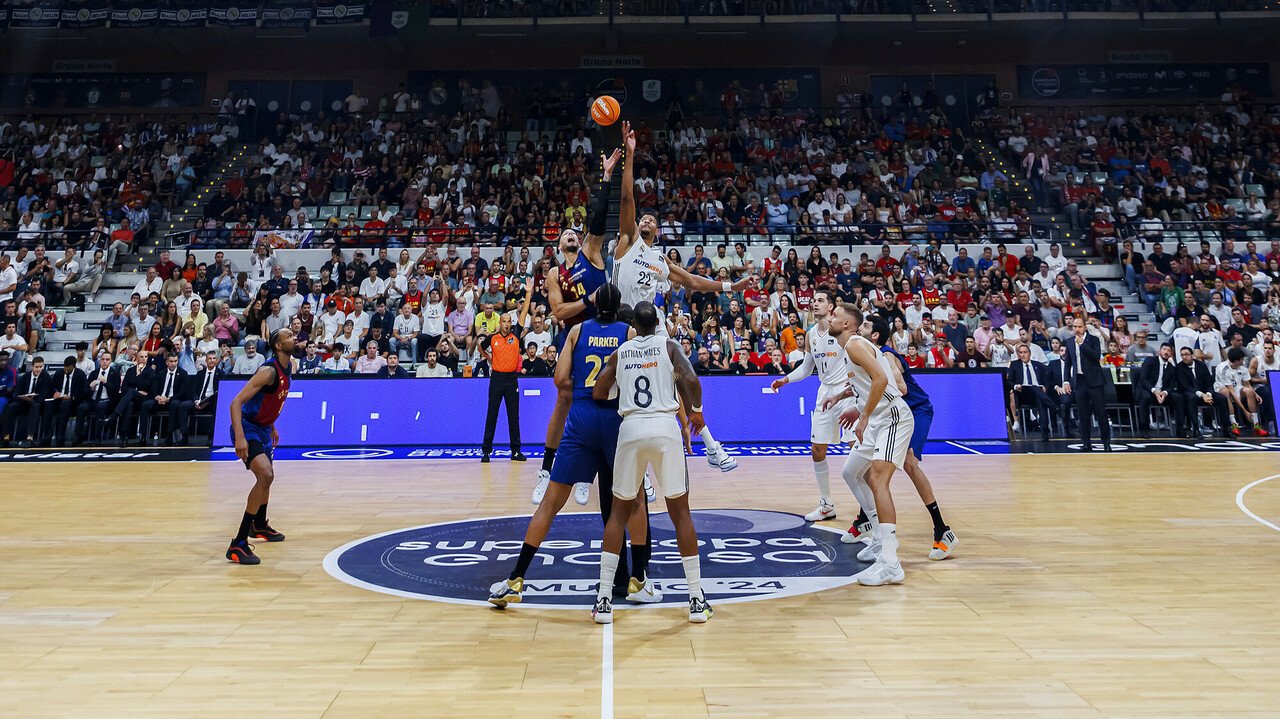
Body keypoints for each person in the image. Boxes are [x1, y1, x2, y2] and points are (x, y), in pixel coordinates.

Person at [488, 286, 661, 608]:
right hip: (615, 420)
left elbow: (559, 379)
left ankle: (515, 579)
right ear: (619, 306)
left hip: (580, 417)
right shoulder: (629, 331)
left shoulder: (577, 331)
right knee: (635, 499)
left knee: (551, 503)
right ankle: (639, 579)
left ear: (594, 303)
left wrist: (583, 386)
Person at [613, 120, 746, 474]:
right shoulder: (626, 243)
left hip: (651, 324)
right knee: (620, 396)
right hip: (620, 321)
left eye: (652, 220)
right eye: (643, 217)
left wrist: (731, 288)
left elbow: (695, 283)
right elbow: (627, 196)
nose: (646, 221)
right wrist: (628, 155)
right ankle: (632, 469)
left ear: (659, 229)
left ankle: (711, 444)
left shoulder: (661, 260)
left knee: (680, 375)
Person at [589, 301, 713, 624]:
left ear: (634, 326)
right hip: (663, 426)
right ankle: (697, 599)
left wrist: (621, 383)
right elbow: (692, 379)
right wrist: (696, 409)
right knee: (680, 513)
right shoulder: (669, 346)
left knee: (618, 513)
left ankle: (603, 600)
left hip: (630, 428)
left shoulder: (622, 351)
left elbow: (599, 391)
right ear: (657, 323)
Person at [532, 149, 620, 506]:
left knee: (616, 401)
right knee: (564, 396)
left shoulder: (592, 253)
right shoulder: (555, 273)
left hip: (607, 330)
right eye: (566, 234)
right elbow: (557, 311)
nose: (572, 235)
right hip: (577, 335)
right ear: (558, 245)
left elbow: (598, 218)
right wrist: (590, 300)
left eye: (575, 232)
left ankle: (600, 475)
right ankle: (546, 470)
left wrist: (606, 176)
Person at [820, 302, 914, 587]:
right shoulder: (851, 347)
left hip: (891, 417)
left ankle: (890, 562)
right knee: (851, 472)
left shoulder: (854, 344)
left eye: (834, 315)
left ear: (848, 324)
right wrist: (845, 401)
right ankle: (876, 536)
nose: (829, 317)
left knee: (876, 478)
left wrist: (863, 415)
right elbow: (865, 381)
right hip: (877, 419)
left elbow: (882, 379)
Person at [863, 315, 958, 561]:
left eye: (865, 325)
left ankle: (942, 530)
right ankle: (867, 523)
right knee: (868, 464)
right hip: (890, 413)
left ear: (875, 336)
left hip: (915, 409)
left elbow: (902, 387)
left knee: (909, 463)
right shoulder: (863, 353)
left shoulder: (886, 354)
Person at [769, 288, 854, 523]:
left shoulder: (843, 331)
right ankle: (826, 504)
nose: (814, 303)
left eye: (820, 300)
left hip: (847, 393)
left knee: (855, 448)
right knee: (817, 449)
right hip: (824, 392)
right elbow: (807, 368)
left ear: (831, 307)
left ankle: (867, 508)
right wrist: (785, 380)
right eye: (813, 300)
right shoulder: (811, 334)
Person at [226, 328, 296, 565]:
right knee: (264, 475)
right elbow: (236, 403)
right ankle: (238, 543)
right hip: (248, 428)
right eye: (288, 336)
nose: (294, 336)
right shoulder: (268, 371)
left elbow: (273, 400)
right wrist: (239, 437)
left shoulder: (290, 366)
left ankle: (260, 525)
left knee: (270, 476)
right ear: (278, 345)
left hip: (264, 428)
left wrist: (273, 425)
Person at [480, 313, 525, 463]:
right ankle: (486, 451)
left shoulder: (516, 335)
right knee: (492, 414)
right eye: (504, 321)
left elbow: (523, 314)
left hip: (511, 379)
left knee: (513, 416)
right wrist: (489, 358)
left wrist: (529, 292)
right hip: (497, 379)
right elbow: (480, 347)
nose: (506, 324)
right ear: (499, 322)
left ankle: (516, 451)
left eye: (509, 321)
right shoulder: (493, 338)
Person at [1063, 316, 1111, 452]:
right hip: (1079, 381)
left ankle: (1106, 443)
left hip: (1095, 381)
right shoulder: (1069, 342)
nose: (1077, 329)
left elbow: (1096, 357)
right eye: (1075, 327)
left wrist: (1082, 344)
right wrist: (1066, 381)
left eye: (1079, 326)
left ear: (1084, 327)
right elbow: (1068, 364)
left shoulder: (1093, 339)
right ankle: (1086, 443)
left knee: (1101, 413)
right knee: (1083, 415)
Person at [139, 352, 193, 445]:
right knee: (145, 405)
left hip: (173, 400)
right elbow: (154, 390)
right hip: (160, 400)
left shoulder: (183, 373)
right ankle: (143, 436)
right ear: (167, 362)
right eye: (171, 361)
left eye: (175, 361)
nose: (173, 363)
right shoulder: (161, 373)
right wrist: (157, 397)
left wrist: (169, 399)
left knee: (175, 404)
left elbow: (182, 393)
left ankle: (169, 436)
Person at [1176, 346, 1230, 438]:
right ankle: (1196, 430)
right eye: (1182, 355)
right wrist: (1202, 395)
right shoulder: (1179, 367)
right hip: (1189, 393)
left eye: (1186, 354)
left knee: (1222, 398)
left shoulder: (1201, 365)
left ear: (1192, 355)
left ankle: (1226, 429)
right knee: (1191, 398)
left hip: (1205, 393)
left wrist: (1208, 394)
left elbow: (1209, 382)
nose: (1184, 357)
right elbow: (1185, 386)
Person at [1007, 343, 1056, 442]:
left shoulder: (1038, 365)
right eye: (1020, 353)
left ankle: (1044, 433)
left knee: (1040, 401)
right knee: (1035, 389)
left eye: (1025, 352)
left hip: (1038, 394)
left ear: (1029, 353)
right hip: (1023, 393)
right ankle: (1053, 406)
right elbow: (1009, 381)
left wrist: (1045, 388)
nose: (1022, 355)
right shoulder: (1014, 365)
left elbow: (1047, 380)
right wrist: (1016, 386)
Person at [1134, 343, 1186, 438]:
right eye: (1164, 349)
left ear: (1171, 354)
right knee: (1145, 397)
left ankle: (1180, 428)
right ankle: (1144, 428)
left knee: (1178, 397)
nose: (1166, 352)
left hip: (1162, 393)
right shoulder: (1150, 361)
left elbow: (1171, 386)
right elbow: (1143, 379)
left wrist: (1165, 393)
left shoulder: (1172, 368)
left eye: (1168, 350)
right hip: (1148, 390)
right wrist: (1154, 391)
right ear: (1159, 351)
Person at [1216, 347, 1268, 436]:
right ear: (1236, 361)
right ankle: (1233, 424)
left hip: (1237, 389)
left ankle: (1256, 425)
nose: (1243, 361)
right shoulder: (1223, 369)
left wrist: (1255, 394)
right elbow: (1232, 391)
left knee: (1249, 391)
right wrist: (1245, 411)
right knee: (1226, 392)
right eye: (1242, 359)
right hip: (1223, 390)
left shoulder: (1242, 367)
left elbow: (1247, 384)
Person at [2, 355, 51, 447]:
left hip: (37, 403)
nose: (38, 369)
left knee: (35, 406)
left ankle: (30, 437)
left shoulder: (46, 377)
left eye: (41, 367)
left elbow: (44, 394)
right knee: (11, 407)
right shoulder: (25, 377)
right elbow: (17, 392)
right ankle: (6, 436)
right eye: (36, 367)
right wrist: (23, 397)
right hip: (23, 402)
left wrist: (33, 399)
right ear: (32, 366)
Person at [43, 355, 87, 447]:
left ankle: (60, 436)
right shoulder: (59, 373)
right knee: (48, 405)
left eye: (68, 369)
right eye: (65, 368)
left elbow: (83, 393)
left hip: (73, 402)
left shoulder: (80, 375)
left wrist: (71, 397)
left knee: (65, 404)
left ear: (74, 366)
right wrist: (55, 393)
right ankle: (46, 437)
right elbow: (51, 388)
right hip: (59, 399)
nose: (66, 370)